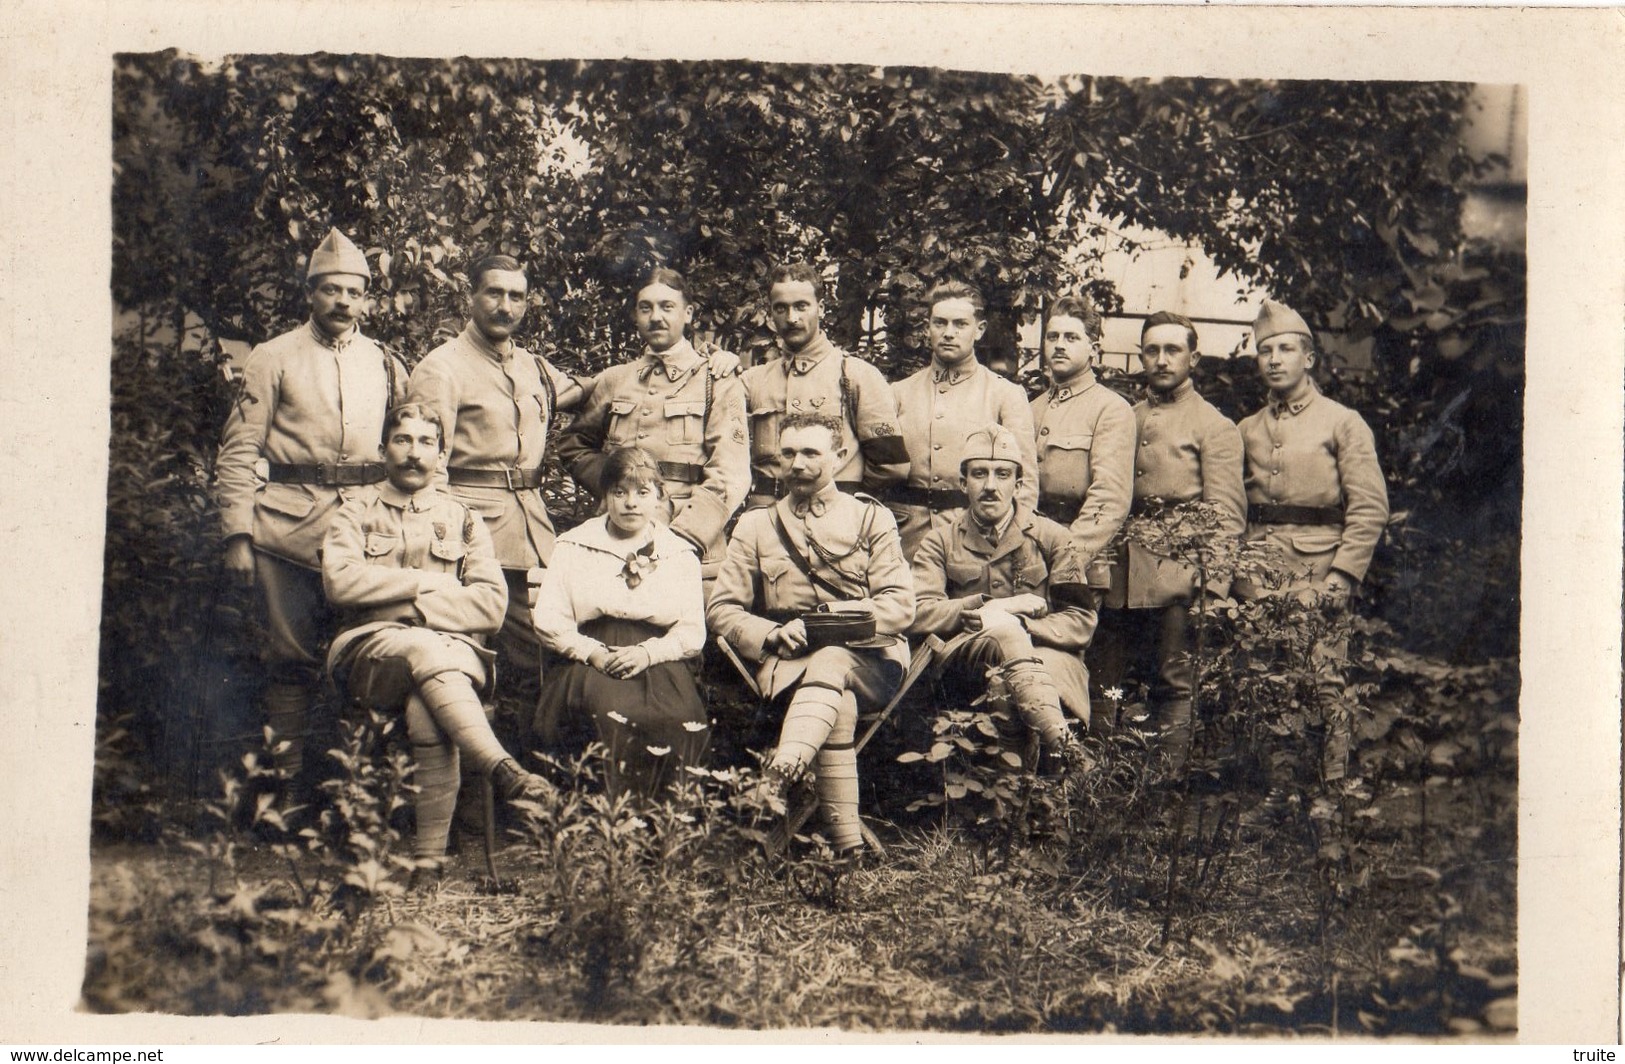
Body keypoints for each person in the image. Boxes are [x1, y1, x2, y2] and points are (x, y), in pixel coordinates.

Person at [215, 228, 408, 786]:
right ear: (309, 293)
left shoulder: (386, 364)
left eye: (354, 291)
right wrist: (238, 536)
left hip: (366, 536)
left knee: (370, 661)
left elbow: (411, 448)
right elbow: (239, 450)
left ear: (368, 298)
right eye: (331, 290)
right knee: (289, 662)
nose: (343, 302)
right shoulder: (272, 357)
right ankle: (284, 799)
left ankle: (357, 798)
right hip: (286, 532)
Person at [321, 404, 546, 859]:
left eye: (426, 443)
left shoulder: (464, 518)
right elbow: (340, 582)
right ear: (383, 450)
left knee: (428, 702)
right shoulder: (354, 511)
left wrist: (406, 609)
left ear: (442, 456)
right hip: (371, 655)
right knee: (429, 656)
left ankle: (428, 863)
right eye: (403, 441)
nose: (413, 453)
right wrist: (428, 583)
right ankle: (500, 768)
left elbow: (490, 605)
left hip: (452, 655)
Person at [707, 412, 915, 856]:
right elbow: (722, 609)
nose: (798, 463)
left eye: (810, 453)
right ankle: (849, 848)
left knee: (833, 659)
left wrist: (824, 621)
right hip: (787, 671)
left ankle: (782, 771)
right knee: (837, 699)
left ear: (839, 458)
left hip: (872, 664)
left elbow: (899, 606)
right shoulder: (757, 525)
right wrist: (770, 634)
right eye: (788, 453)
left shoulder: (869, 519)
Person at [405, 254, 591, 707]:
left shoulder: (532, 366)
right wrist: (443, 545)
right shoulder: (442, 367)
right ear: (471, 296)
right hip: (474, 531)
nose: (505, 306)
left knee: (538, 655)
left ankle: (527, 761)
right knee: (488, 657)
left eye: (516, 296)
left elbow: (589, 389)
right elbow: (426, 465)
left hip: (531, 529)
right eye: (494, 293)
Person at [1236, 299, 1389, 780]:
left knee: (1325, 679)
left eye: (1285, 348)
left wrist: (1343, 575)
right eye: (1265, 351)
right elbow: (1231, 508)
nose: (1275, 359)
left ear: (1309, 358)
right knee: (1266, 680)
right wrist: (1240, 573)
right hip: (1259, 571)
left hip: (1321, 570)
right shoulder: (1245, 430)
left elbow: (1369, 506)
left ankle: (1332, 788)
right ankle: (1277, 790)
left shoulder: (1342, 422)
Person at [1093, 312, 1246, 763]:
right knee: (1105, 677)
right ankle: (1100, 786)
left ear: (1193, 357)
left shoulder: (1214, 426)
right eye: (1152, 350)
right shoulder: (1123, 417)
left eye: (1172, 350)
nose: (1161, 360)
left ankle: (1163, 791)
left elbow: (1226, 516)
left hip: (1178, 576)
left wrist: (1212, 588)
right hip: (1118, 570)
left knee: (1173, 682)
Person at [908, 425, 1093, 770]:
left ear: (1018, 485)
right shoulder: (940, 540)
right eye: (979, 474)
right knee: (1005, 636)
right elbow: (919, 612)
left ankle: (1019, 802)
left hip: (1044, 652)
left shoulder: (1053, 537)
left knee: (1012, 681)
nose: (990, 486)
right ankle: (1068, 753)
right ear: (963, 484)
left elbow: (1080, 619)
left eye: (1002, 474)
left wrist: (1021, 623)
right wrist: (993, 609)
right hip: (966, 656)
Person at [532, 447, 709, 800]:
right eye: (619, 492)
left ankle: (666, 822)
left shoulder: (678, 553)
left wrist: (647, 654)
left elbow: (691, 631)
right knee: (605, 712)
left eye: (643, 493)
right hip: (590, 656)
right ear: (606, 496)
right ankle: (601, 822)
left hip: (658, 660)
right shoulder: (575, 545)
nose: (631, 503)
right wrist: (592, 652)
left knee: (679, 716)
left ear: (659, 498)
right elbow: (550, 618)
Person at [557, 268, 750, 586]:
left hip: (689, 543)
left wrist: (680, 535)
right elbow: (574, 443)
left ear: (687, 313)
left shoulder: (715, 380)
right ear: (636, 314)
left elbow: (731, 473)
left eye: (667, 306)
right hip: (615, 535)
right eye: (646, 307)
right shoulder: (617, 378)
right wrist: (614, 488)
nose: (656, 317)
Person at [739, 263, 909, 508]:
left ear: (820, 308)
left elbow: (892, 466)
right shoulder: (753, 380)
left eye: (801, 306)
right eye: (781, 308)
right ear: (770, 314)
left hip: (833, 519)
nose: (792, 318)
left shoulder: (856, 375)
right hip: (767, 519)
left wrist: (843, 501)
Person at [889, 281, 1038, 556]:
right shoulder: (898, 393)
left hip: (975, 541)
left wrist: (1008, 548)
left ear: (978, 330)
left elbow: (1025, 482)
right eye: (939, 323)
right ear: (927, 328)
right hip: (906, 542)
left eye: (960, 324)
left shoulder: (1004, 394)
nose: (948, 333)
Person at [1028, 294, 1136, 592]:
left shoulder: (1110, 409)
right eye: (1053, 336)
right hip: (1027, 559)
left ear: (1093, 349)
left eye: (1071, 337)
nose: (1059, 344)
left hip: (1080, 566)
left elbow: (1109, 499)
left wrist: (1068, 560)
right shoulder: (1032, 408)